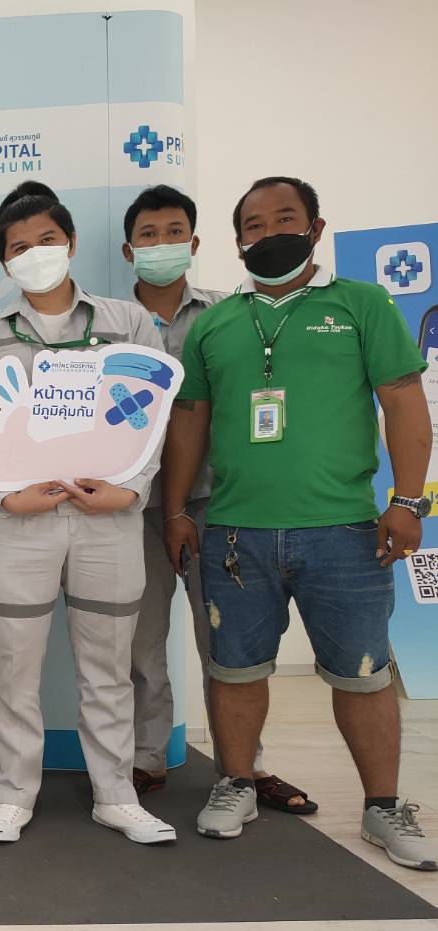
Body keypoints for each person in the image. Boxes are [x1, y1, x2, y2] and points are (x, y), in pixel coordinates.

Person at [163, 176, 435, 867]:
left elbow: (404, 402)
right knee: (233, 670)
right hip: (234, 533)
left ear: (315, 229)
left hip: (344, 531)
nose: (269, 233)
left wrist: (407, 502)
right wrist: (175, 510)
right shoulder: (215, 323)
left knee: (363, 674)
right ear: (238, 242)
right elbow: (189, 423)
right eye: (253, 225)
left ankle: (382, 807)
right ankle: (235, 783)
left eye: (285, 218)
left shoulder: (361, 304)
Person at [0, 181, 177, 846]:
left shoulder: (126, 323)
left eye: (46, 239)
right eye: (18, 247)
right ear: (4, 261)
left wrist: (131, 490)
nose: (35, 254)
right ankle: (12, 794)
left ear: (71, 242)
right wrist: (3, 495)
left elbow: (154, 420)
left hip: (109, 520)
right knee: (12, 669)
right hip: (17, 525)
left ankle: (116, 795)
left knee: (108, 667)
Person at [121, 187, 317, 815]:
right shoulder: (109, 324)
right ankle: (146, 759)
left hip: (218, 503)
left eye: (173, 232)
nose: (161, 244)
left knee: (227, 644)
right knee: (141, 642)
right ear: (128, 250)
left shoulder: (233, 315)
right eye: (148, 235)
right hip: (130, 504)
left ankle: (244, 768)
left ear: (196, 242)